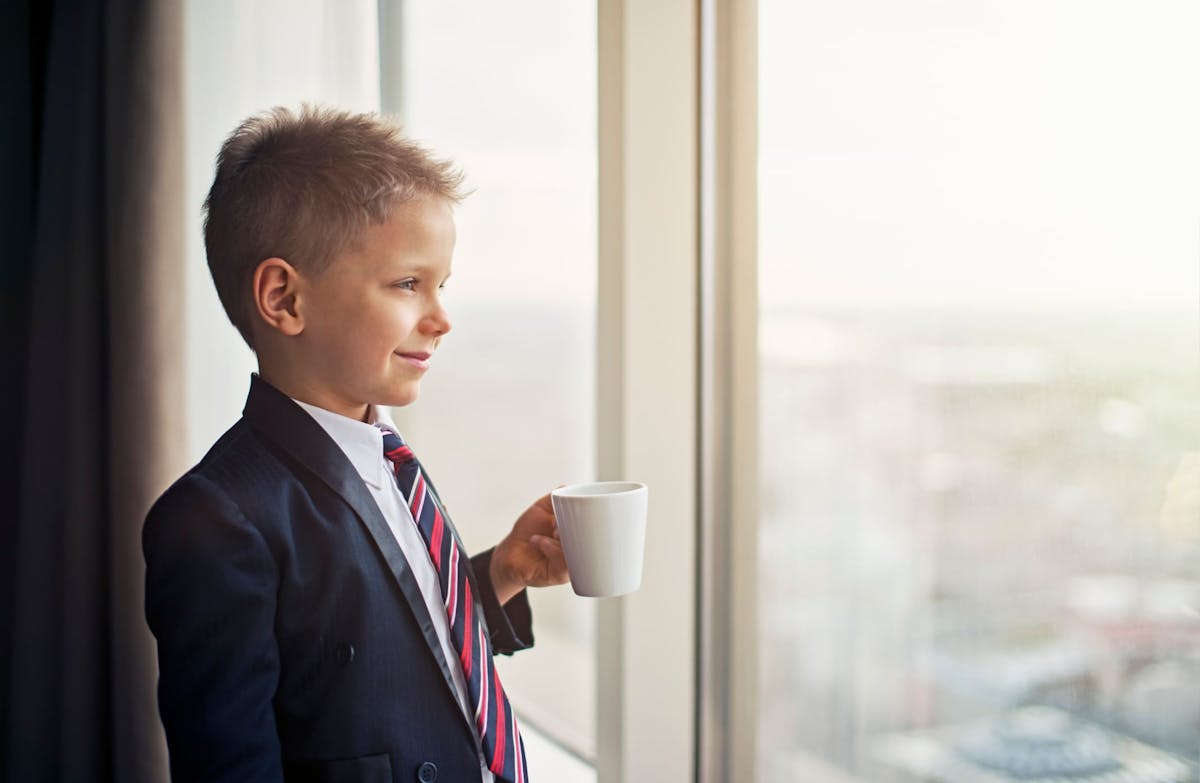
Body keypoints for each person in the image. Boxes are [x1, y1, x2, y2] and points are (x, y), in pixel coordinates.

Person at [143, 105, 569, 783]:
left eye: (441, 284)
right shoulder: (218, 521)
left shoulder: (390, 458)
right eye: (408, 283)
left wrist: (501, 573)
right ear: (283, 298)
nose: (441, 317)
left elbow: (402, 646)